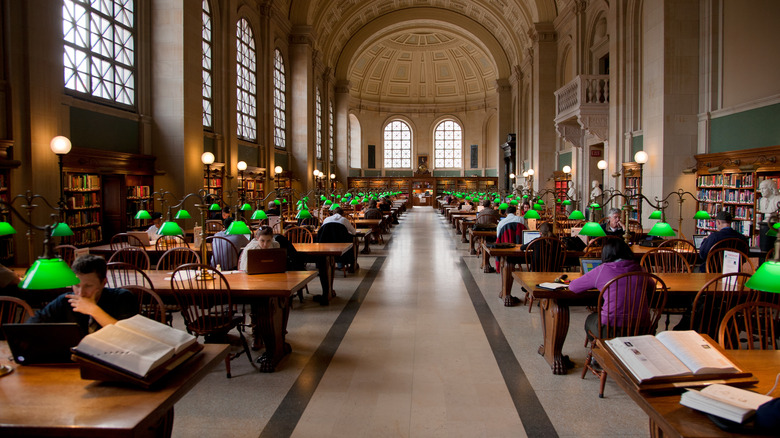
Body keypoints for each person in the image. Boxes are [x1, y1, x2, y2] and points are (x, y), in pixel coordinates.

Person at [27, 255, 137, 333]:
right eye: (76, 286)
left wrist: (93, 310)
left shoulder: (122, 298)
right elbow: (31, 326)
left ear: (103, 282)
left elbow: (128, 336)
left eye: (88, 286)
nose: (81, 293)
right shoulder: (65, 301)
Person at [568, 239, 653, 340]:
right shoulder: (640, 269)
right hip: (641, 327)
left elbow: (573, 287)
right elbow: (652, 287)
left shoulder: (603, 269)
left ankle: (599, 352)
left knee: (590, 319)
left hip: (612, 328)